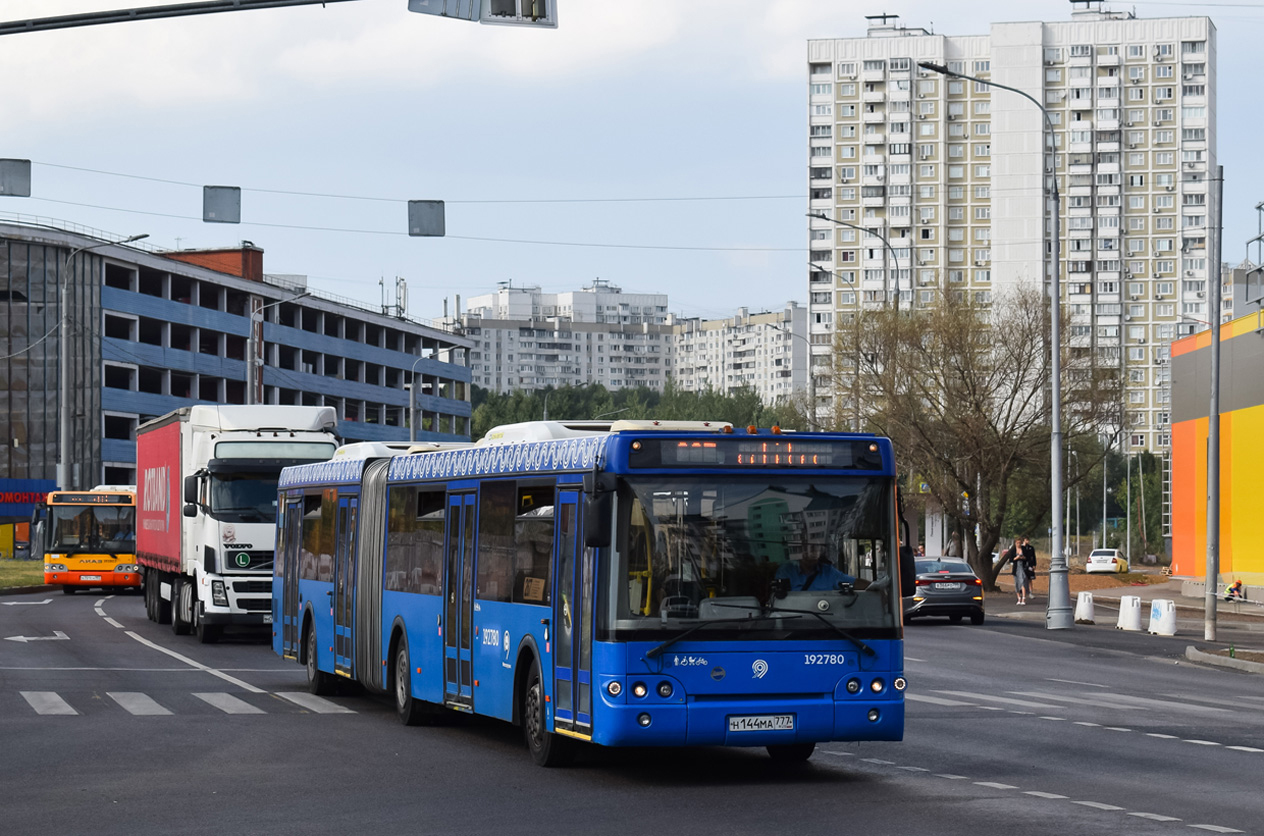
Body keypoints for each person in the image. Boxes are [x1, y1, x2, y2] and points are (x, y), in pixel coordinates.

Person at [775, 547, 855, 591]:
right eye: (805, 550)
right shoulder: (786, 571)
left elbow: (854, 583)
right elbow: (779, 596)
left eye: (814, 550)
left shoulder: (828, 571)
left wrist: (868, 587)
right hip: (793, 617)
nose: (810, 554)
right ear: (799, 553)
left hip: (825, 618)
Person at [1002, 538, 1027, 605]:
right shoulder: (1013, 550)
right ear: (1015, 543)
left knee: (1022, 582)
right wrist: (1017, 557)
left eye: (1019, 543)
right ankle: (1019, 598)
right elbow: (1011, 560)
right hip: (1016, 568)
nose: (1018, 544)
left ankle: (1023, 598)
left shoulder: (1023, 549)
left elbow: (1026, 558)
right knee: (1016, 583)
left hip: (1022, 567)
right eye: (1017, 543)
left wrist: (1022, 557)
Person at [1021, 537, 1038, 602]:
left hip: (1030, 565)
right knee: (1023, 579)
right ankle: (1023, 592)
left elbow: (1033, 556)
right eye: (1026, 540)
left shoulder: (1031, 548)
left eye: (1028, 540)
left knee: (1030, 579)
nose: (1028, 541)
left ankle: (1030, 592)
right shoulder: (1021, 548)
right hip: (1023, 565)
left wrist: (1034, 564)